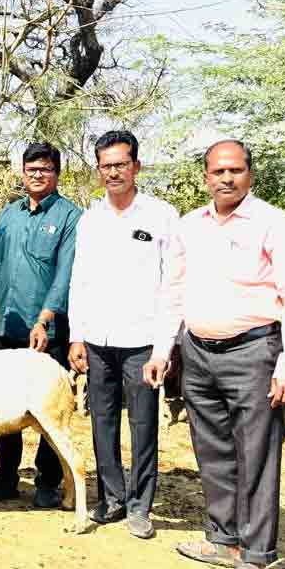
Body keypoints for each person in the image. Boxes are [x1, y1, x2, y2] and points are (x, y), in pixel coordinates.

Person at [144, 139, 285, 569]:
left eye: (235, 170)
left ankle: (255, 558)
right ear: (205, 176)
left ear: (250, 174)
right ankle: (224, 539)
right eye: (218, 171)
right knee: (213, 449)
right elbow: (171, 292)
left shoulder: (274, 224)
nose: (226, 178)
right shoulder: (188, 226)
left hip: (254, 352)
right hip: (197, 352)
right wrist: (163, 350)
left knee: (255, 455)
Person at [67, 130, 179, 539]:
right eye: (106, 165)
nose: (114, 172)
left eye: (121, 164)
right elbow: (79, 280)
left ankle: (140, 506)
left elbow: (174, 284)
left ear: (136, 166)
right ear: (99, 170)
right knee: (102, 421)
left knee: (144, 423)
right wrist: (77, 336)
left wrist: (164, 346)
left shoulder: (162, 216)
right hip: (97, 338)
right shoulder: (91, 218)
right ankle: (111, 498)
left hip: (143, 342)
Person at [0, 141, 83, 509]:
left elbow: (66, 274)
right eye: (31, 169)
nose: (37, 175)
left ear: (56, 174)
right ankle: (5, 476)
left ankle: (48, 482)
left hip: (48, 330)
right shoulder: (8, 215)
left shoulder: (70, 217)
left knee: (47, 407)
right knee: (4, 403)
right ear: (23, 172)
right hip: (7, 324)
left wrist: (46, 317)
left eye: (45, 169)